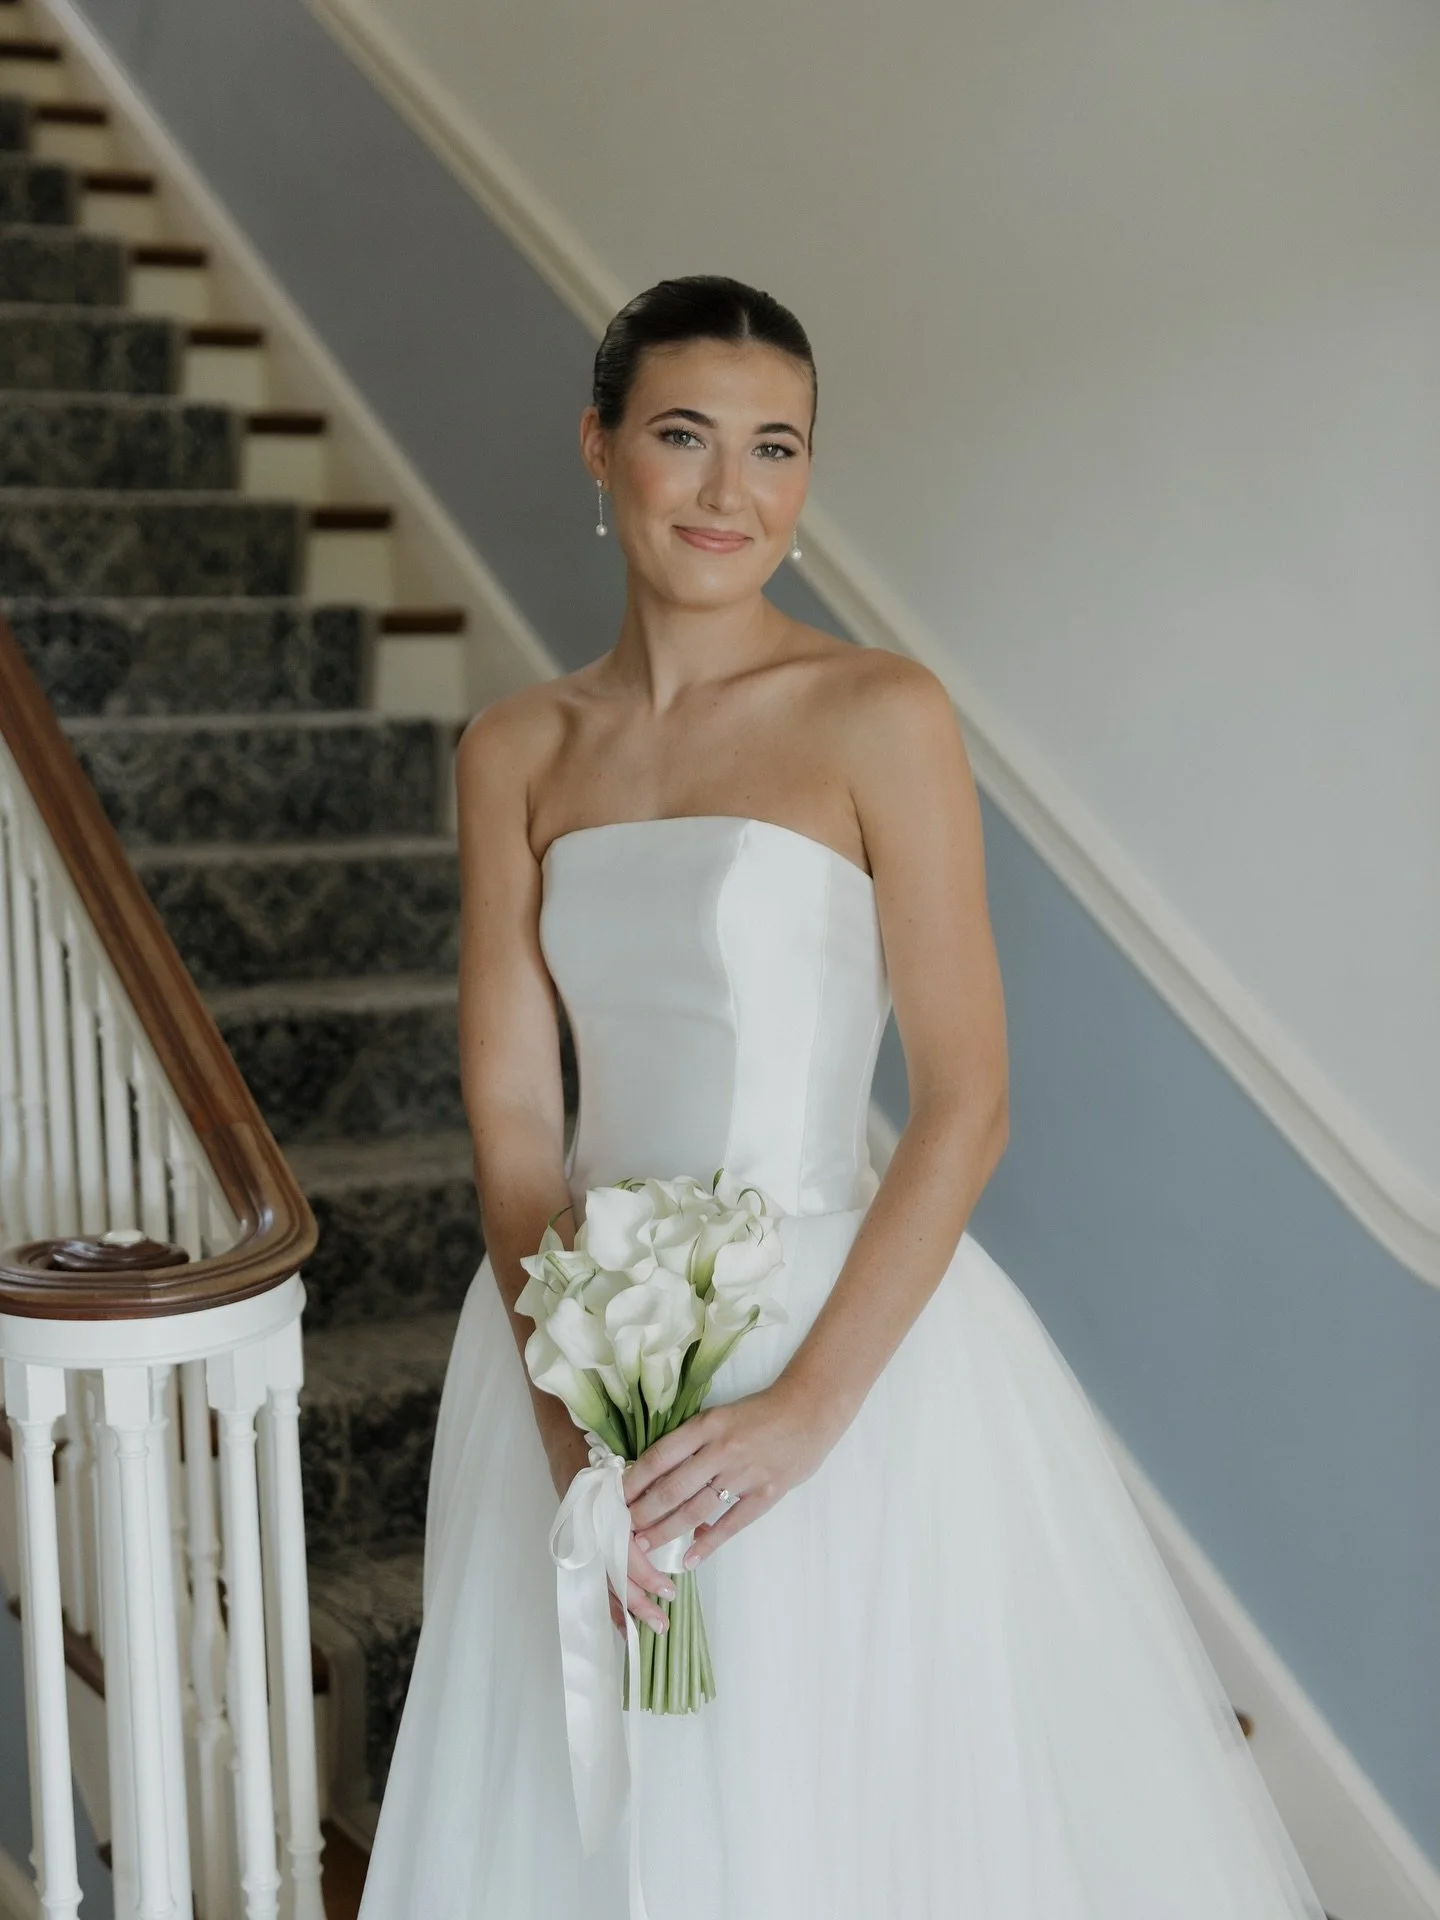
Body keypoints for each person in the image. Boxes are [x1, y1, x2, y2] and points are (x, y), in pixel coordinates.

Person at [356, 274, 1327, 1919]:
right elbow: (516, 1109)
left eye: (776, 447)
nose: (733, 492)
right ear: (598, 448)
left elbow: (967, 1099)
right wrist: (564, 1414)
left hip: (834, 1351)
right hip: (572, 1343)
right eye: (684, 436)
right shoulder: (516, 747)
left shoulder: (881, 713)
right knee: (598, 1816)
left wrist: (808, 1412)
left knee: (843, 1819)